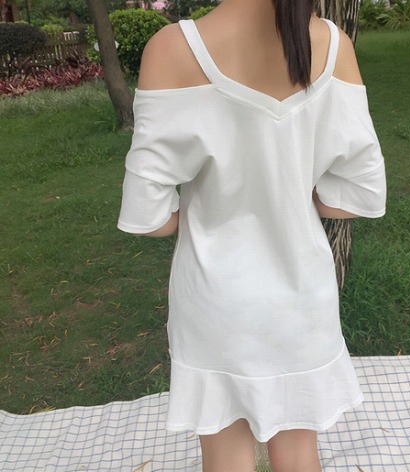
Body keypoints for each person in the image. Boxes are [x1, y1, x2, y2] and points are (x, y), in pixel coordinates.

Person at [117, 0, 386, 470]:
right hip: (303, 301)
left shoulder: (172, 48)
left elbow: (150, 217)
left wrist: (197, 210)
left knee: (225, 457)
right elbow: (356, 194)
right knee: (299, 454)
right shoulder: (332, 45)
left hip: (213, 306)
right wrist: (296, 190)